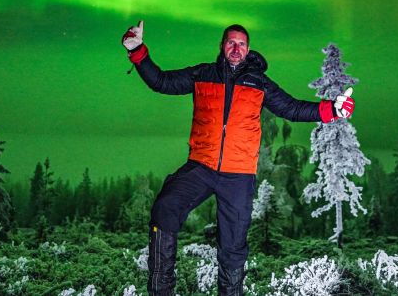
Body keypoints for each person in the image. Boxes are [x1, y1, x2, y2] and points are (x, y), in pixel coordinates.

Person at [122, 20, 355, 296]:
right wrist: (138, 51)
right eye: (231, 42)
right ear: (222, 46)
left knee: (233, 245)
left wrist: (332, 110)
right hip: (201, 165)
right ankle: (161, 291)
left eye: (242, 44)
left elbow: (291, 108)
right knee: (165, 207)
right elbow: (161, 81)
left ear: (248, 50)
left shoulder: (259, 83)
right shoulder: (203, 74)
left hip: (238, 174)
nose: (236, 48)